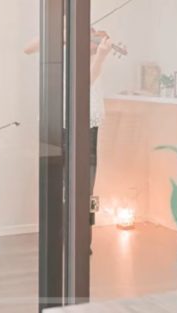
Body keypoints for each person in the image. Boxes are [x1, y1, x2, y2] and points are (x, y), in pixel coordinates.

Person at [23, 30, 114, 226]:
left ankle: (84, 231)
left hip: (85, 118)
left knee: (86, 180)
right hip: (55, 117)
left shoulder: (92, 43)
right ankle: (58, 229)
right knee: (55, 178)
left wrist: (100, 55)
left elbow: (85, 83)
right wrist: (62, 34)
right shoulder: (55, 37)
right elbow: (27, 48)